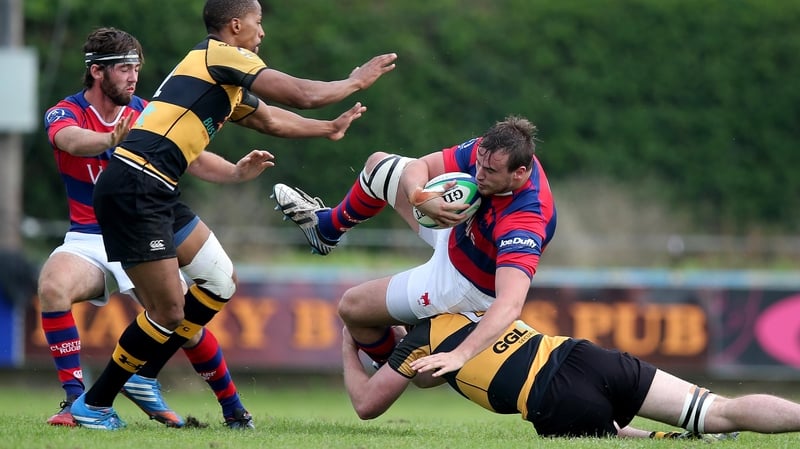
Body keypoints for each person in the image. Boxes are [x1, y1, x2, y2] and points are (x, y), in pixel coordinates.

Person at [69, 0, 391, 430]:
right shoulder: (218, 54)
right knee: (166, 313)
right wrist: (354, 81)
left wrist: (329, 128)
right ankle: (95, 403)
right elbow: (300, 94)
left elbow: (273, 120)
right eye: (258, 23)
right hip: (134, 186)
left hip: (159, 189)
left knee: (219, 281)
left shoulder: (221, 79)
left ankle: (144, 373)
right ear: (235, 25)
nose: (262, 33)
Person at [41, 26, 275, 429]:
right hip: (88, 237)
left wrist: (236, 172)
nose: (133, 76)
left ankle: (232, 407)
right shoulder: (67, 111)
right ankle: (76, 400)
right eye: (123, 68)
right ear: (97, 72)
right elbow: (71, 141)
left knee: (179, 319)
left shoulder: (147, 111)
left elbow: (196, 158)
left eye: (136, 67)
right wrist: (106, 139)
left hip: (139, 228)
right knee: (52, 287)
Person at [273, 115, 555, 377]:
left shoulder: (525, 220)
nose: (478, 173)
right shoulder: (489, 151)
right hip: (459, 230)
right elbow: (418, 167)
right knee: (379, 166)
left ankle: (393, 366)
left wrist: (461, 354)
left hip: (464, 283)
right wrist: (419, 196)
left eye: (489, 171)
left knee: (352, 307)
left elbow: (510, 303)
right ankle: (326, 230)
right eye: (479, 163)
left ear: (519, 174)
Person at [342, 312, 800, 439]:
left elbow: (366, 406)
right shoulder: (468, 297)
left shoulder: (416, 342)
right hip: (580, 356)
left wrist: (349, 346)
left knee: (609, 433)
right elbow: (433, 377)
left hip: (552, 399)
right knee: (717, 410)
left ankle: (669, 440)